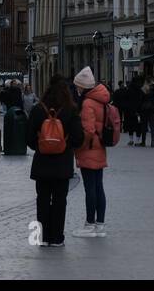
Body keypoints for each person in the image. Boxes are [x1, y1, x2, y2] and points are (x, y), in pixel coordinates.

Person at [27, 75, 86, 247]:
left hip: (42, 163)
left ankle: (43, 237)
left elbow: (29, 139)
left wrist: (41, 145)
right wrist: (65, 144)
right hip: (62, 163)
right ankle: (57, 238)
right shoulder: (71, 110)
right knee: (60, 200)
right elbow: (78, 138)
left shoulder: (38, 109)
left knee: (42, 199)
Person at [74, 66, 112, 237]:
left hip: (89, 149)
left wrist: (78, 146)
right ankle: (100, 224)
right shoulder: (102, 100)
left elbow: (88, 130)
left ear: (83, 86)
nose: (77, 89)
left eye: (78, 86)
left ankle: (90, 224)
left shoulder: (88, 103)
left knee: (90, 188)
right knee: (98, 186)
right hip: (100, 147)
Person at [139, 80, 154, 147]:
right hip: (153, 110)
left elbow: (140, 101)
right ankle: (153, 141)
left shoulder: (143, 90)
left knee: (144, 126)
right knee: (152, 126)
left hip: (144, 110)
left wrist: (139, 109)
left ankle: (143, 142)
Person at [126, 78, 145, 145]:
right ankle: (137, 141)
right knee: (138, 125)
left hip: (130, 111)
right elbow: (143, 99)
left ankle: (131, 140)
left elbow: (126, 100)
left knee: (130, 125)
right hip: (139, 111)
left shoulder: (129, 90)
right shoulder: (140, 90)